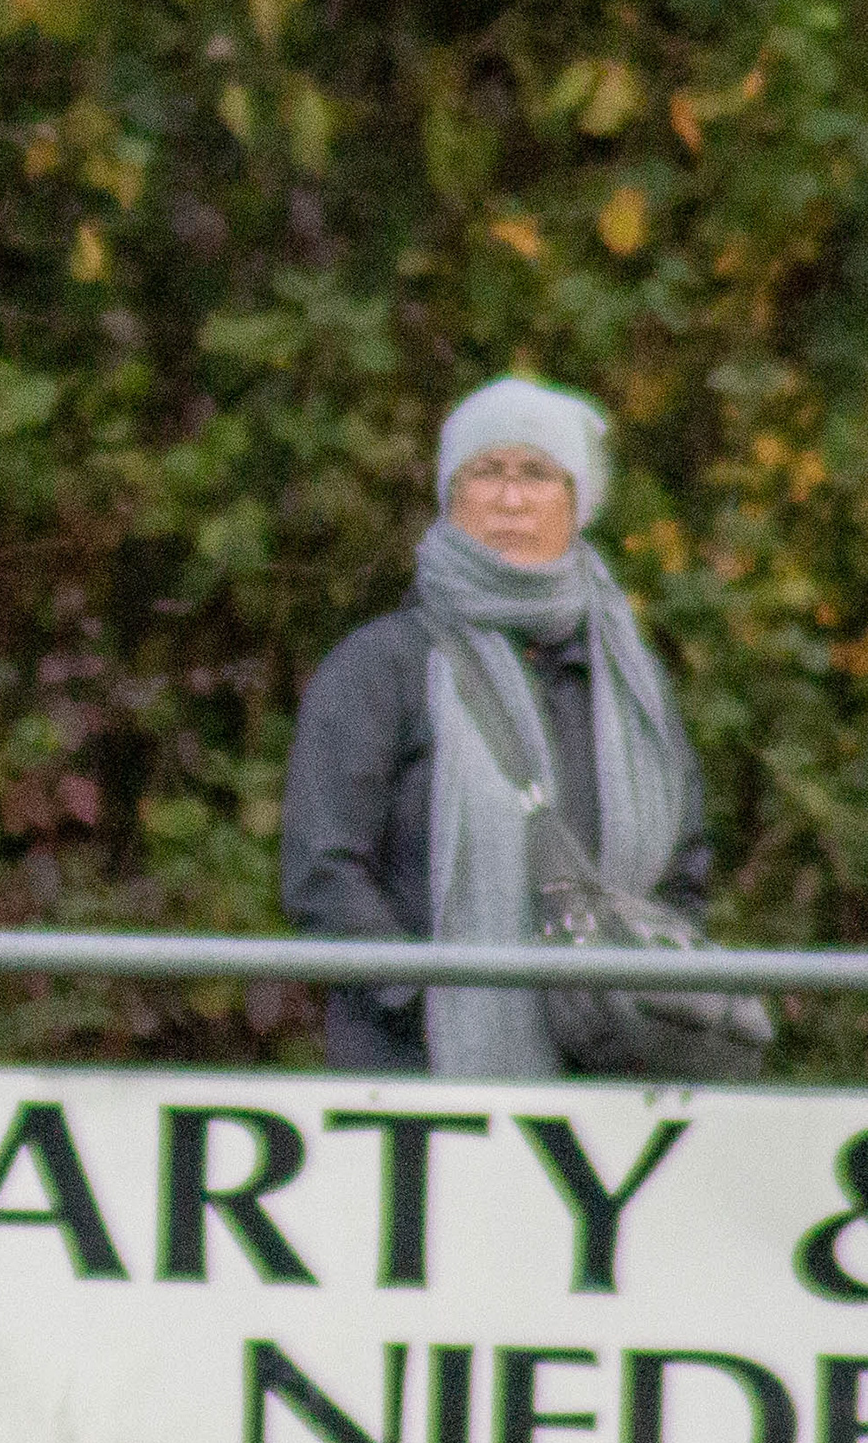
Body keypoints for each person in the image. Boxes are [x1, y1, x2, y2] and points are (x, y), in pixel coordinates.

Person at [281, 374, 714, 1076]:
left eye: (538, 474)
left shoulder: (633, 682)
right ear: (452, 499)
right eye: (486, 472)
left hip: (612, 1080)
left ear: (577, 504)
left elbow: (683, 870)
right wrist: (427, 996)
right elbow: (323, 870)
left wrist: (643, 999)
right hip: (416, 1080)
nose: (511, 499)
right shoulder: (382, 666)